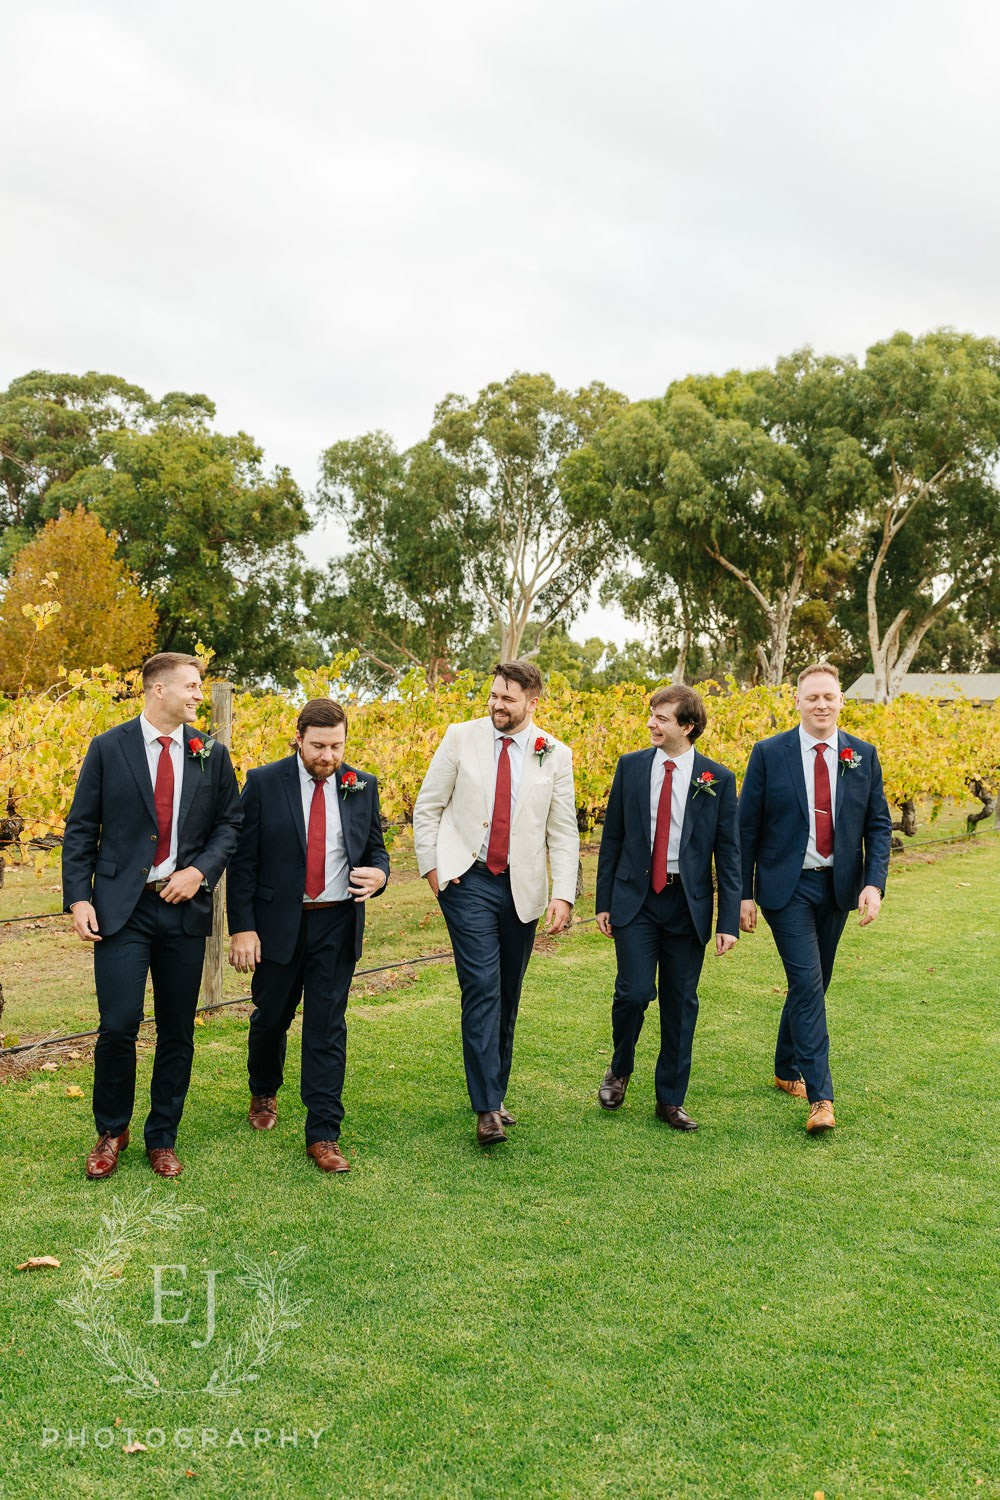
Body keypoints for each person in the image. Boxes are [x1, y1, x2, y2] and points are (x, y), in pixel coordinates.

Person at [62, 653, 243, 1179]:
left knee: (177, 1030)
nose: (196, 695)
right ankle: (110, 1131)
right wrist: (79, 898)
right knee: (118, 1024)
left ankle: (161, 1137)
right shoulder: (108, 748)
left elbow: (230, 824)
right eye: (190, 686)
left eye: (199, 687)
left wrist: (199, 873)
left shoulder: (211, 753)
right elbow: (80, 830)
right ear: (157, 690)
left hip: (184, 907)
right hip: (122, 908)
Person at [413, 661, 579, 1145]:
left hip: (522, 887)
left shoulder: (556, 755)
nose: (497, 706)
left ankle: (496, 1092)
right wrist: (433, 871)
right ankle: (485, 1108)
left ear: (533, 701)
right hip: (467, 881)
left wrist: (564, 893)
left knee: (508, 991)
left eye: (508, 698)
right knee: (482, 984)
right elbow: (428, 807)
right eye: (493, 696)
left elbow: (563, 832)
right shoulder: (460, 737)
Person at [226, 699, 389, 1173]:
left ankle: (323, 1133)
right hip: (278, 922)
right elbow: (244, 862)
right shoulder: (262, 782)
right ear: (298, 738)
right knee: (272, 1017)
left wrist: (379, 875)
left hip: (336, 922)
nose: (328, 755)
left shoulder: (362, 786)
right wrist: (243, 927)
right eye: (318, 745)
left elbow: (376, 850)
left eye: (337, 745)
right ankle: (263, 1091)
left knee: (327, 1026)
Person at [738, 662, 892, 1133]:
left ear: (841, 699)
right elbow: (745, 828)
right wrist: (742, 893)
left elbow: (878, 824)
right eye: (812, 697)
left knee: (815, 981)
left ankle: (786, 1068)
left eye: (829, 696)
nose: (821, 704)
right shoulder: (769, 753)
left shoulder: (862, 755)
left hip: (839, 886)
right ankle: (821, 1097)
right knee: (807, 985)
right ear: (798, 701)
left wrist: (873, 882)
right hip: (786, 888)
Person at [594, 684, 740, 1130]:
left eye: (662, 718)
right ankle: (619, 1069)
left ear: (688, 726)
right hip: (635, 900)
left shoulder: (718, 778)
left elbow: (728, 852)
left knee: (681, 1002)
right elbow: (613, 838)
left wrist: (728, 919)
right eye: (651, 716)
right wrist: (603, 902)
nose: (651, 724)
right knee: (634, 992)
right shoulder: (632, 767)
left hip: (687, 904)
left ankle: (670, 1099)